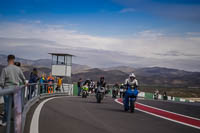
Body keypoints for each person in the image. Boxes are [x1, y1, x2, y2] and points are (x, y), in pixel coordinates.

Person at [0, 55, 26, 127]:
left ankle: (5, 121)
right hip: (16, 89)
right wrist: (25, 83)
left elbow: (1, 82)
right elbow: (23, 78)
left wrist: (4, 87)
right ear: (13, 60)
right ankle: (18, 124)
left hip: (7, 89)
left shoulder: (5, 69)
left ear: (7, 60)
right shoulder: (18, 69)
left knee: (7, 106)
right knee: (16, 106)